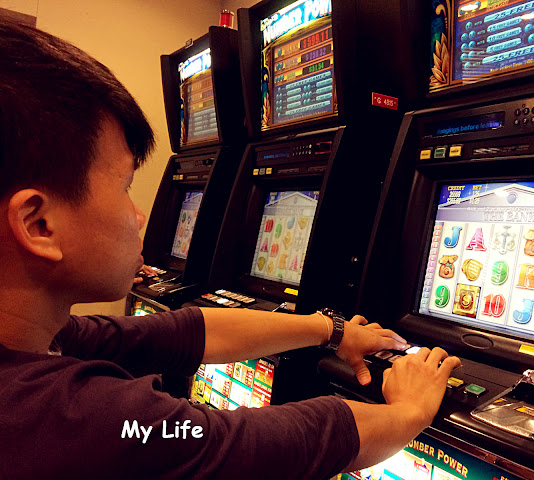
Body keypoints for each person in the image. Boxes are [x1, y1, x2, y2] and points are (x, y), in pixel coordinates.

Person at [0, 18, 460, 480]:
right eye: (124, 187)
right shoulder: (71, 418)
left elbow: (182, 332)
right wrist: (409, 411)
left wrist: (331, 330)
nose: (138, 215)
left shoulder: (41, 342)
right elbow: (243, 440)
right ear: (38, 224)